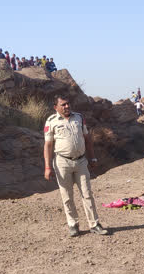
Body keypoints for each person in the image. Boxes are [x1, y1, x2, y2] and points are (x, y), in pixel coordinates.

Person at [43, 97, 109, 237]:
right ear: (56, 107)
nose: (67, 106)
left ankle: (94, 224)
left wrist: (92, 158)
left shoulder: (79, 118)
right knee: (67, 196)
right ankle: (73, 225)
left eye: (68, 103)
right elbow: (48, 145)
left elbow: (87, 139)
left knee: (87, 194)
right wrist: (47, 167)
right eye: (63, 104)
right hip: (62, 162)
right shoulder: (51, 121)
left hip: (81, 161)